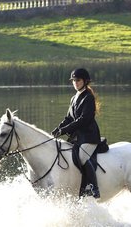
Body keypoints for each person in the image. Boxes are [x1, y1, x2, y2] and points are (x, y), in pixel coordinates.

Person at [51, 68, 102, 198]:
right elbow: (69, 118)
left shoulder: (88, 98)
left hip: (89, 136)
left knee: (82, 157)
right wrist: (58, 129)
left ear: (85, 81)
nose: (75, 83)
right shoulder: (74, 98)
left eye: (78, 80)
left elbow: (83, 120)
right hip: (78, 137)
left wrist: (65, 130)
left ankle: (94, 188)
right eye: (73, 81)